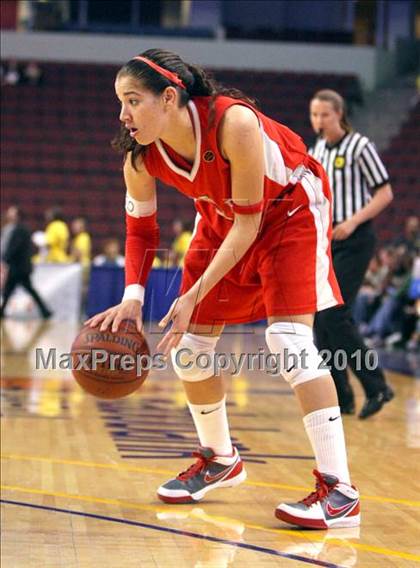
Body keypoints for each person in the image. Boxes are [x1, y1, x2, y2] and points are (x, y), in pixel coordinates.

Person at [87, 49, 361, 530]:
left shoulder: (235, 124)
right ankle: (220, 458)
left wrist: (193, 295)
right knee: (189, 348)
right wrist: (133, 297)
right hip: (223, 217)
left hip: (290, 211)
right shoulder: (141, 157)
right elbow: (141, 232)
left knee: (289, 343)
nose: (122, 114)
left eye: (132, 101)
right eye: (119, 102)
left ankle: (339, 490)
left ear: (169, 97)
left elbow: (252, 221)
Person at [309, 89, 394, 419]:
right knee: (321, 323)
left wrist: (352, 221)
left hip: (356, 238)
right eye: (314, 115)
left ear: (339, 114)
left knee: (335, 315)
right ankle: (342, 398)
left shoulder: (360, 146)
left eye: (325, 115)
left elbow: (384, 193)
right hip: (327, 241)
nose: (318, 121)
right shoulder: (316, 150)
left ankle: (377, 386)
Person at [0, 206, 52, 319]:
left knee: (13, 290)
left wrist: (5, 258)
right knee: (12, 290)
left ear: (17, 215)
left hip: (20, 267)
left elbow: (14, 248)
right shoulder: (15, 228)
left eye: (12, 213)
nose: (9, 215)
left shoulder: (20, 229)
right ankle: (45, 311)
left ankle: (45, 311)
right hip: (18, 267)